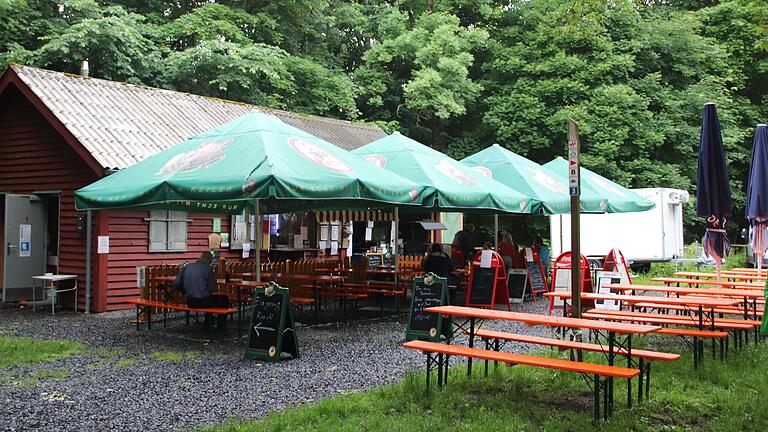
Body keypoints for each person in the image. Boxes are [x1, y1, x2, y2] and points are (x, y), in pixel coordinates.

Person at [173, 251, 230, 328]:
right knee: (224, 299)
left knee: (209, 298)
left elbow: (176, 284)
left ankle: (208, 322)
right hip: (203, 301)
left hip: (189, 301)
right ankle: (220, 326)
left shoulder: (187, 267)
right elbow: (212, 289)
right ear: (208, 260)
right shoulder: (208, 269)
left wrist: (185, 292)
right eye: (210, 261)